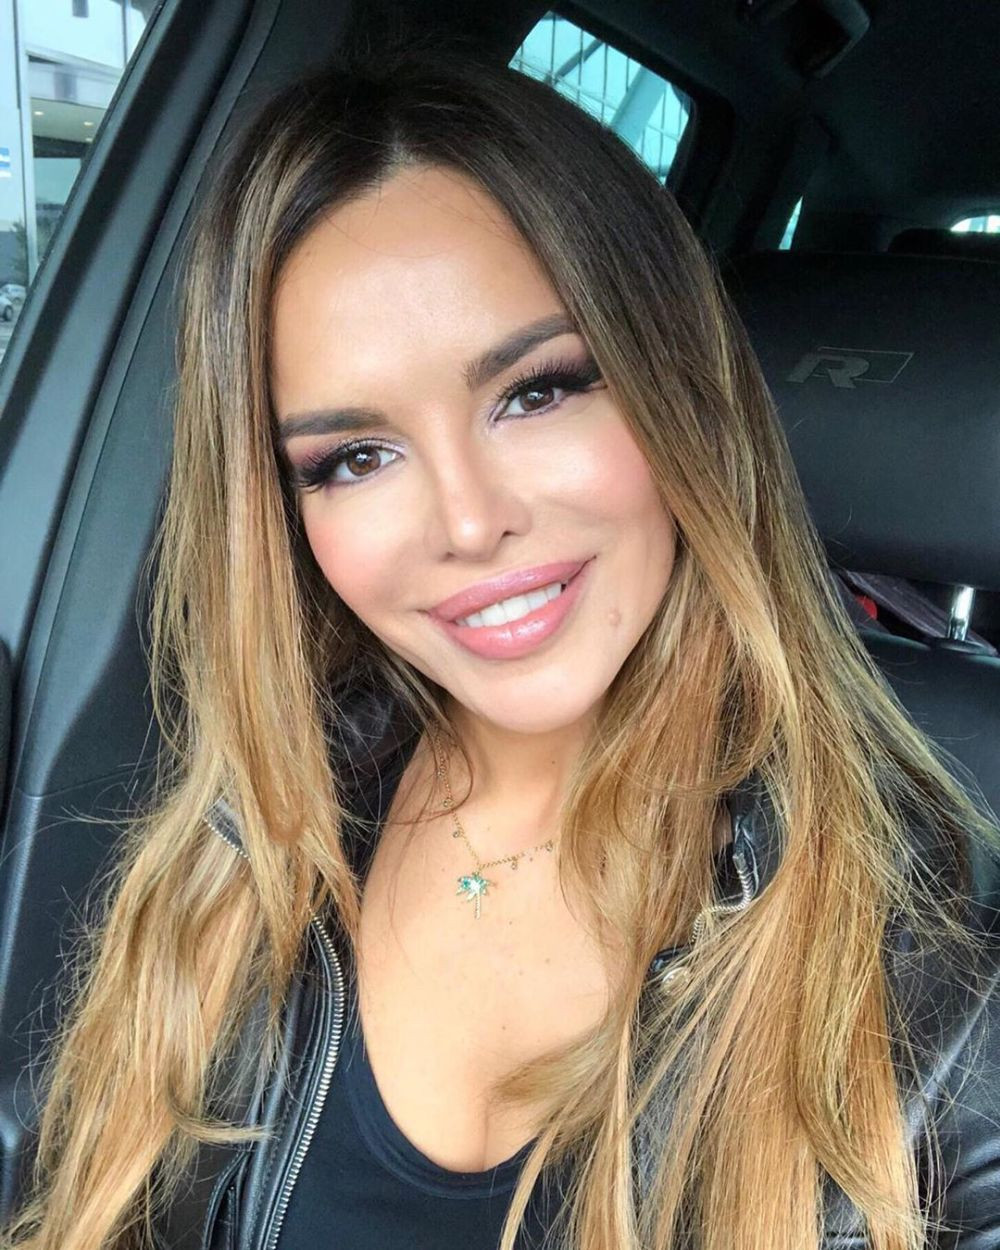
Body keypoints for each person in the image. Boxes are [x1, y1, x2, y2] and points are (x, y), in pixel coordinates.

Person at [3, 40, 1000, 1250]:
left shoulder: (937, 990)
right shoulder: (240, 845)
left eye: (535, 389)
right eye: (354, 457)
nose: (469, 522)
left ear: (676, 381)